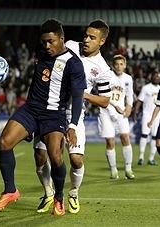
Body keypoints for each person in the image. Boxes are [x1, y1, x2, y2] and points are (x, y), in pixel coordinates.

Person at [0, 18, 86, 216]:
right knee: (5, 142)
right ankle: (10, 190)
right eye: (44, 42)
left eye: (51, 41)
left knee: (55, 156)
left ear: (62, 38)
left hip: (54, 114)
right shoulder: (40, 52)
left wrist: (73, 125)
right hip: (31, 109)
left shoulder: (74, 64)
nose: (47, 45)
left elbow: (77, 98)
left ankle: (59, 197)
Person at [33, 19, 112, 214]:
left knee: (76, 159)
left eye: (92, 37)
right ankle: (48, 192)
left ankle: (74, 192)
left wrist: (81, 93)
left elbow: (105, 101)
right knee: (41, 154)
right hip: (51, 109)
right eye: (85, 35)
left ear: (101, 41)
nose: (86, 39)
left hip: (73, 114)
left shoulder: (102, 69)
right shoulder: (69, 46)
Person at [99, 54, 135, 180]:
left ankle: (128, 169)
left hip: (121, 113)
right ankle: (113, 171)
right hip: (106, 112)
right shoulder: (107, 77)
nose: (119, 66)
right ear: (113, 66)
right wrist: (114, 105)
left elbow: (129, 94)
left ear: (125, 65)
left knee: (125, 137)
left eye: (121, 64)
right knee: (110, 141)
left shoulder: (128, 79)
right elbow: (102, 95)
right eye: (117, 64)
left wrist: (129, 106)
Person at [133, 71, 160, 165]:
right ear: (152, 77)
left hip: (157, 116)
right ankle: (141, 157)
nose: (157, 78)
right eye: (155, 76)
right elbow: (139, 100)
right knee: (144, 135)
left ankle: (151, 158)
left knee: (155, 136)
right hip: (147, 114)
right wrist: (135, 112)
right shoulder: (146, 88)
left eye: (158, 77)